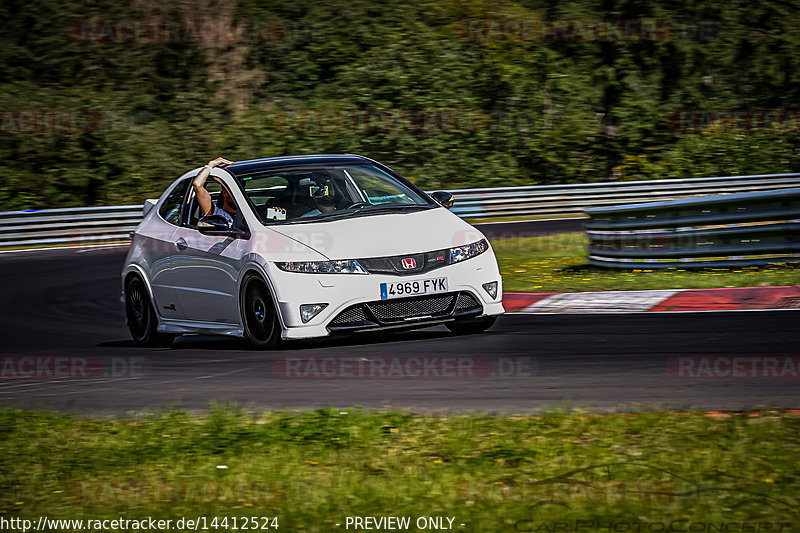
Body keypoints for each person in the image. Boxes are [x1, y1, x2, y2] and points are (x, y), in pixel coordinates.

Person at [193, 156, 236, 225]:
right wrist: (210, 165)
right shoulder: (214, 213)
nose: (238, 195)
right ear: (224, 192)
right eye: (234, 191)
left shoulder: (250, 213)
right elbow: (197, 185)